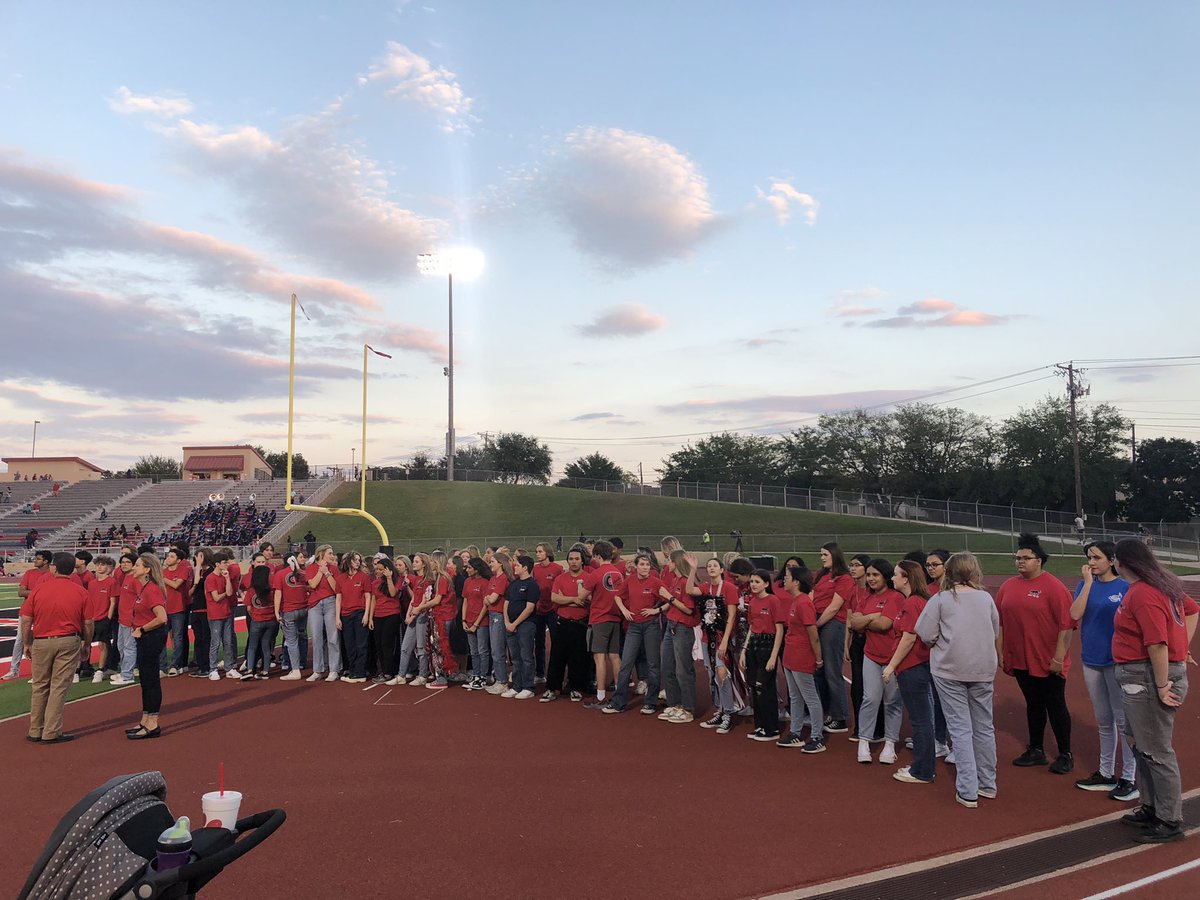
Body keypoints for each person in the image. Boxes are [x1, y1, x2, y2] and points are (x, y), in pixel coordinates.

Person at [1110, 538, 1199, 843]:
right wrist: (1183, 647)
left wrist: (1162, 685)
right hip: (1142, 676)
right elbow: (1192, 610)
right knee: (1142, 746)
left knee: (1156, 751)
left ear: (1123, 562)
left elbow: (1156, 643)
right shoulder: (1161, 585)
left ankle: (1169, 819)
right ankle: (1152, 806)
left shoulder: (1143, 593)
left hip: (1147, 677)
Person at [915, 552, 1001, 809]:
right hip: (982, 668)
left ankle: (968, 789)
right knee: (984, 726)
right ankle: (987, 783)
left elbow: (924, 632)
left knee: (961, 728)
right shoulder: (985, 598)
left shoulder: (941, 599)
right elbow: (994, 629)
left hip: (950, 668)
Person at [997, 533, 1075, 773]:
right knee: (1033, 704)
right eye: (1017, 558)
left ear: (1039, 560)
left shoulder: (1055, 588)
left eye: (1026, 558)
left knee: (1055, 705)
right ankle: (1036, 749)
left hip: (1047, 659)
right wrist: (1000, 653)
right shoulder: (1008, 586)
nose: (1020, 562)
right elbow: (1000, 622)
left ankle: (1065, 754)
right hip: (1020, 658)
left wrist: (1058, 658)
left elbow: (1067, 626)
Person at [1070, 541, 1138, 801]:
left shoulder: (1124, 587)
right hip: (1091, 660)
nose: (1092, 562)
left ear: (1111, 560)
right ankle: (1106, 772)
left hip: (1116, 661)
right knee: (1103, 720)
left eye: (1097, 557)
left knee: (1123, 721)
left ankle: (1129, 777)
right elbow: (1075, 614)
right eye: (1089, 557)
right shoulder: (1084, 585)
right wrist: (1087, 584)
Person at [20, 552, 91, 744]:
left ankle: (35, 729)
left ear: (54, 567)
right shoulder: (80, 591)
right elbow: (88, 622)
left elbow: (26, 619)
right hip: (68, 639)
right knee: (58, 686)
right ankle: (51, 731)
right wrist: (86, 643)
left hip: (42, 640)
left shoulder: (38, 590)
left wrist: (27, 643)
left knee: (40, 686)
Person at [884, 560, 937, 784]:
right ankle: (923, 767)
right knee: (922, 719)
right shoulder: (918, 601)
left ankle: (922, 771)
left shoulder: (912, 603)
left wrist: (892, 666)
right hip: (916, 667)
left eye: (896, 575)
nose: (892, 578)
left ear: (906, 578)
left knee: (920, 720)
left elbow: (909, 637)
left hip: (913, 667)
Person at [853, 559, 905, 765]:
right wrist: (873, 616)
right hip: (871, 656)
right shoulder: (866, 597)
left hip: (892, 658)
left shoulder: (896, 597)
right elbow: (854, 623)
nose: (871, 579)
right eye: (869, 575)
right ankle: (864, 741)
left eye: (876, 575)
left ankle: (890, 744)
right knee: (870, 698)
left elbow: (885, 624)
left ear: (885, 576)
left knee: (892, 700)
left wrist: (866, 619)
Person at [605, 552, 667, 715]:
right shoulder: (630, 580)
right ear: (636, 566)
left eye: (647, 565)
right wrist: (625, 610)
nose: (645, 567)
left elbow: (670, 600)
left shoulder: (655, 582)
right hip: (633, 627)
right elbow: (618, 596)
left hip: (651, 626)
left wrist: (656, 610)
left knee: (653, 664)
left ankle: (651, 702)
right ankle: (618, 702)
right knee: (626, 663)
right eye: (642, 564)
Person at [691, 555, 744, 733]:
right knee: (711, 672)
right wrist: (693, 569)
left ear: (722, 570)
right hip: (707, 637)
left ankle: (728, 712)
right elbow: (689, 589)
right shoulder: (706, 587)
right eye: (709, 566)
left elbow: (731, 617)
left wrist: (726, 642)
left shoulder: (728, 588)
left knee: (722, 673)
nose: (711, 568)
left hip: (722, 638)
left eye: (715, 566)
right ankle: (720, 709)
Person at [777, 565, 824, 751]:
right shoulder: (796, 601)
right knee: (795, 697)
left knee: (810, 697)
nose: (784, 580)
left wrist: (818, 659)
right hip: (790, 656)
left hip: (801, 656)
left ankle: (817, 736)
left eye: (787, 577)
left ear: (796, 581)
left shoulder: (804, 603)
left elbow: (813, 634)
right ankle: (795, 732)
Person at [740, 569, 786, 741]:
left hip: (768, 645)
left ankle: (772, 728)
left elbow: (779, 630)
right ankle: (760, 726)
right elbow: (752, 627)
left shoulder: (773, 600)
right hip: (754, 646)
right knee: (754, 686)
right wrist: (744, 650)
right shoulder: (752, 602)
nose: (753, 584)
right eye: (751, 581)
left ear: (766, 584)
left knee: (764, 686)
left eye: (757, 581)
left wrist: (773, 656)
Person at [813, 542, 854, 733]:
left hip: (832, 624)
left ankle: (840, 717)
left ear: (834, 555)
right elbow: (812, 595)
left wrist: (816, 625)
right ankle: (828, 711)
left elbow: (834, 606)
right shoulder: (821, 575)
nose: (822, 558)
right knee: (819, 670)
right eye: (821, 554)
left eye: (825, 554)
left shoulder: (844, 578)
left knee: (832, 671)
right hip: (818, 620)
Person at [126, 553, 168, 739]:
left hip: (152, 637)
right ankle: (145, 719)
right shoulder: (144, 589)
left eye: (137, 565)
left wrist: (141, 629)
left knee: (151, 680)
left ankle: (153, 722)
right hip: (145, 637)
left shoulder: (152, 590)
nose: (133, 568)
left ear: (147, 569)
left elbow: (162, 617)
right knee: (145, 679)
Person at [543, 546, 593, 703]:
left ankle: (575, 688)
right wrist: (574, 599)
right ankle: (552, 688)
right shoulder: (561, 578)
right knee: (557, 657)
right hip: (562, 622)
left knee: (577, 658)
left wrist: (567, 599)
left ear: (582, 561)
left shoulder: (588, 578)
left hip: (580, 624)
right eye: (571, 559)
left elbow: (588, 600)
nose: (574, 562)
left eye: (577, 559)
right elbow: (555, 598)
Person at [581, 540, 626, 709]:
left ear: (597, 556)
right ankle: (619, 693)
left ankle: (600, 695)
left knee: (599, 657)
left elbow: (582, 596)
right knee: (614, 656)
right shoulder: (618, 573)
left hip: (599, 618)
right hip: (615, 618)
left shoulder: (596, 573)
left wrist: (581, 587)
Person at [5, 549, 52, 680]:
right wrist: (39, 592)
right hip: (27, 610)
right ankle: (14, 669)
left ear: (46, 561)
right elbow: (21, 592)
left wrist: (32, 592)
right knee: (20, 639)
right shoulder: (30, 573)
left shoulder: (51, 574)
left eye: (38, 559)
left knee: (41, 640)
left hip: (43, 611)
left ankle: (40, 671)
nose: (35, 561)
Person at [502, 554, 539, 699]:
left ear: (525, 567)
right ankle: (516, 686)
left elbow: (529, 608)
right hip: (510, 625)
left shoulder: (532, 585)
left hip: (525, 624)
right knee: (516, 658)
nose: (514, 567)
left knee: (526, 656)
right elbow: (506, 603)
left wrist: (515, 623)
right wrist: (507, 622)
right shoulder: (514, 584)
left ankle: (528, 686)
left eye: (517, 565)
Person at [335, 551, 373, 684]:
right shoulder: (340, 578)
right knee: (349, 644)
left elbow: (368, 596)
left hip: (359, 612)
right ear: (349, 561)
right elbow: (338, 598)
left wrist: (366, 614)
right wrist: (337, 617)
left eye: (359, 560)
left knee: (361, 644)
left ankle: (360, 672)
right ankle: (353, 670)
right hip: (345, 614)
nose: (357, 562)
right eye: (355, 560)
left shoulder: (364, 577)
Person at [305, 545, 341, 683]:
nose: (332, 556)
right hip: (315, 605)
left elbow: (335, 588)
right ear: (321, 555)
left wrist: (327, 572)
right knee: (316, 637)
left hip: (331, 602)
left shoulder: (334, 569)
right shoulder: (310, 568)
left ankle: (334, 670)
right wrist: (321, 571)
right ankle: (317, 670)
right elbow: (313, 584)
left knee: (332, 638)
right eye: (330, 553)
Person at [274, 551, 310, 680]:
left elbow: (278, 594)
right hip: (303, 609)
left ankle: (295, 669)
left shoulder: (280, 574)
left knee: (291, 641)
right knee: (302, 635)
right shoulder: (303, 574)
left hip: (289, 610)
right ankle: (302, 662)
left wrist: (276, 611)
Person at [530, 543, 564, 684]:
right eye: (536, 551)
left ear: (547, 553)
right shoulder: (535, 569)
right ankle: (540, 673)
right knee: (539, 643)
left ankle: (556, 674)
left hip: (553, 610)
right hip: (539, 610)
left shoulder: (557, 568)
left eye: (540, 551)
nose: (537, 554)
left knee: (557, 643)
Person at [204, 552, 240, 681]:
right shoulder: (210, 579)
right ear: (218, 564)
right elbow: (216, 597)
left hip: (226, 613)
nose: (227, 565)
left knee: (228, 641)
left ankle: (229, 668)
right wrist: (225, 592)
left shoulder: (225, 576)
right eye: (225, 562)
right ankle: (213, 669)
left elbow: (230, 593)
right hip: (215, 615)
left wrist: (227, 579)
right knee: (215, 642)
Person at [243, 553, 279, 680]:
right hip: (271, 621)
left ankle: (250, 669)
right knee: (266, 645)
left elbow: (248, 607)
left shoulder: (252, 591)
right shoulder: (271, 590)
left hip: (257, 620)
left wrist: (254, 615)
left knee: (252, 645)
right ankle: (265, 670)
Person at [371, 555, 406, 685]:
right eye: (377, 569)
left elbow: (392, 593)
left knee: (387, 643)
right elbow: (374, 600)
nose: (378, 571)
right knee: (379, 644)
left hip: (391, 614)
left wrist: (389, 578)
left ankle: (389, 671)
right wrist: (370, 618)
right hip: (378, 615)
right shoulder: (375, 583)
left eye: (381, 569)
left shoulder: (397, 580)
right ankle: (384, 670)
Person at [481, 553, 512, 693]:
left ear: (500, 563)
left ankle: (502, 681)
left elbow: (492, 599)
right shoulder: (493, 578)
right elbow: (486, 599)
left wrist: (488, 598)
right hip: (492, 614)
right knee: (495, 649)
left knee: (498, 649)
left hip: (498, 615)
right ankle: (500, 679)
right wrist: (488, 598)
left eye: (492, 561)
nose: (490, 564)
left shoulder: (503, 578)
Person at [84, 556, 118, 683]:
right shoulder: (92, 583)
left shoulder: (112, 582)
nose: (99, 567)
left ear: (109, 567)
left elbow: (113, 602)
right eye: (98, 564)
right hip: (91, 618)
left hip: (103, 618)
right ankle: (81, 669)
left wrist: (108, 618)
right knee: (84, 643)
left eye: (102, 564)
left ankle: (100, 670)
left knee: (102, 644)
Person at [461, 557, 492, 691]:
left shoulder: (485, 583)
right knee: (473, 651)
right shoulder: (467, 581)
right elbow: (465, 601)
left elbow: (485, 606)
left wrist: (477, 623)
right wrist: (463, 620)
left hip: (481, 621)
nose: (467, 570)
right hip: (469, 620)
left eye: (469, 568)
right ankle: (476, 674)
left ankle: (483, 677)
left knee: (482, 650)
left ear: (476, 569)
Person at [160, 548, 192, 676]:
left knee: (178, 638)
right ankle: (162, 666)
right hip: (164, 608)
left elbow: (176, 585)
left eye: (172, 556)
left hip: (178, 608)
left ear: (179, 560)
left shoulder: (182, 570)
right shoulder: (163, 572)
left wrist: (162, 578)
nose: (168, 558)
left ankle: (175, 665)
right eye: (168, 556)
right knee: (162, 638)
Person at [187, 549, 215, 679]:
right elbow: (193, 587)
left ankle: (207, 666)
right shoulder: (198, 572)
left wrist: (198, 565)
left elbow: (198, 582)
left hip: (206, 609)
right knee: (198, 639)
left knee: (206, 638)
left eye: (199, 556)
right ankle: (201, 665)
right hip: (196, 608)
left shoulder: (210, 571)